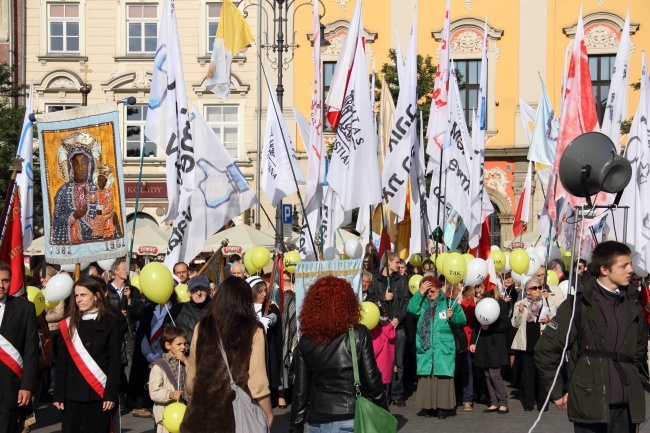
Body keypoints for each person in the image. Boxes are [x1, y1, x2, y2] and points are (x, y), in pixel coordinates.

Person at [535, 241, 648, 433]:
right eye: (624, 265)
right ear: (604, 269)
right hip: (590, 403)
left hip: (626, 405)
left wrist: (634, 381)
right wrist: (557, 392)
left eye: (630, 264)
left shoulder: (632, 305)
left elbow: (638, 353)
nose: (631, 269)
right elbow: (546, 349)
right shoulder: (578, 304)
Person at [290, 276, 386, 432]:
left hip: (317, 420)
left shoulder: (306, 341)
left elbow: (300, 391)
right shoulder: (359, 334)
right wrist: (383, 412)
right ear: (348, 303)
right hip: (349, 416)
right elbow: (372, 380)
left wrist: (296, 426)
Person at [182, 277, 273, 432]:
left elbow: (191, 378)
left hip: (199, 416)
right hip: (234, 418)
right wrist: (268, 413)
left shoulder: (203, 326)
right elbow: (258, 382)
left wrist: (194, 397)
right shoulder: (253, 330)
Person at [53, 276, 121, 433]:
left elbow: (115, 362)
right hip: (72, 394)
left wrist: (110, 394)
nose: (78, 299)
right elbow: (62, 363)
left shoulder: (111, 321)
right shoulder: (69, 323)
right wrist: (59, 394)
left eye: (83, 295)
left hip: (99, 393)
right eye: (76, 295)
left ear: (96, 296)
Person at [408, 275, 466, 419]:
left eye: (432, 291)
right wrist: (420, 292)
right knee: (428, 376)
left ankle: (442, 408)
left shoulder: (449, 303)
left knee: (442, 377)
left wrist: (453, 316)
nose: (430, 294)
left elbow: (462, 320)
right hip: (427, 348)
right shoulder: (422, 304)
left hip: (442, 347)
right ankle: (429, 407)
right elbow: (411, 309)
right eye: (427, 292)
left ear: (439, 289)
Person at [0, 261, 39, 433]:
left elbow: (31, 351)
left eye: (5, 281)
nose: (1, 286)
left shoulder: (25, 309)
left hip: (10, 388)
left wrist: (27, 386)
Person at [511, 278, 556, 411]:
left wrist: (548, 320)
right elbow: (515, 324)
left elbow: (557, 324)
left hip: (543, 343)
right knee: (528, 375)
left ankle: (543, 403)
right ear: (527, 291)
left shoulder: (548, 302)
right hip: (527, 343)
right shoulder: (520, 304)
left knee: (542, 374)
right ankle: (529, 403)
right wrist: (519, 313)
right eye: (534, 288)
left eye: (539, 287)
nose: (538, 290)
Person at [470, 285, 510, 414]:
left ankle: (503, 402)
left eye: (483, 287)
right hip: (483, 342)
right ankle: (494, 402)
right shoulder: (481, 303)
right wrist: (473, 342)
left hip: (495, 343)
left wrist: (490, 327)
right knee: (486, 374)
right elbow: (476, 325)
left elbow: (505, 324)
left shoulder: (500, 303)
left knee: (494, 374)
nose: (480, 290)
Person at [149, 326, 188, 433]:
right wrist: (170, 395)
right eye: (179, 344)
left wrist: (186, 362)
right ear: (167, 345)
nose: (183, 347)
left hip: (186, 412)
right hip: (166, 414)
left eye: (185, 344)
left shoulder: (187, 362)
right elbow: (154, 392)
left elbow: (195, 379)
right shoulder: (159, 366)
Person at [384, 251, 410, 407]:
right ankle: (384, 393)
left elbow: (406, 301)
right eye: (397, 262)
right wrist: (383, 297)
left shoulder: (402, 280)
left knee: (398, 362)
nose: (399, 265)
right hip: (382, 326)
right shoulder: (378, 279)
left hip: (398, 326)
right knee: (384, 361)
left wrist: (397, 318)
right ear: (388, 262)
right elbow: (373, 299)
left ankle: (397, 393)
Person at [168, 275, 211, 344]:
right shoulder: (178, 310)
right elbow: (166, 335)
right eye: (194, 289)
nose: (198, 293)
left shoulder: (219, 308)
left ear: (209, 290)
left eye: (202, 289)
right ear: (188, 292)